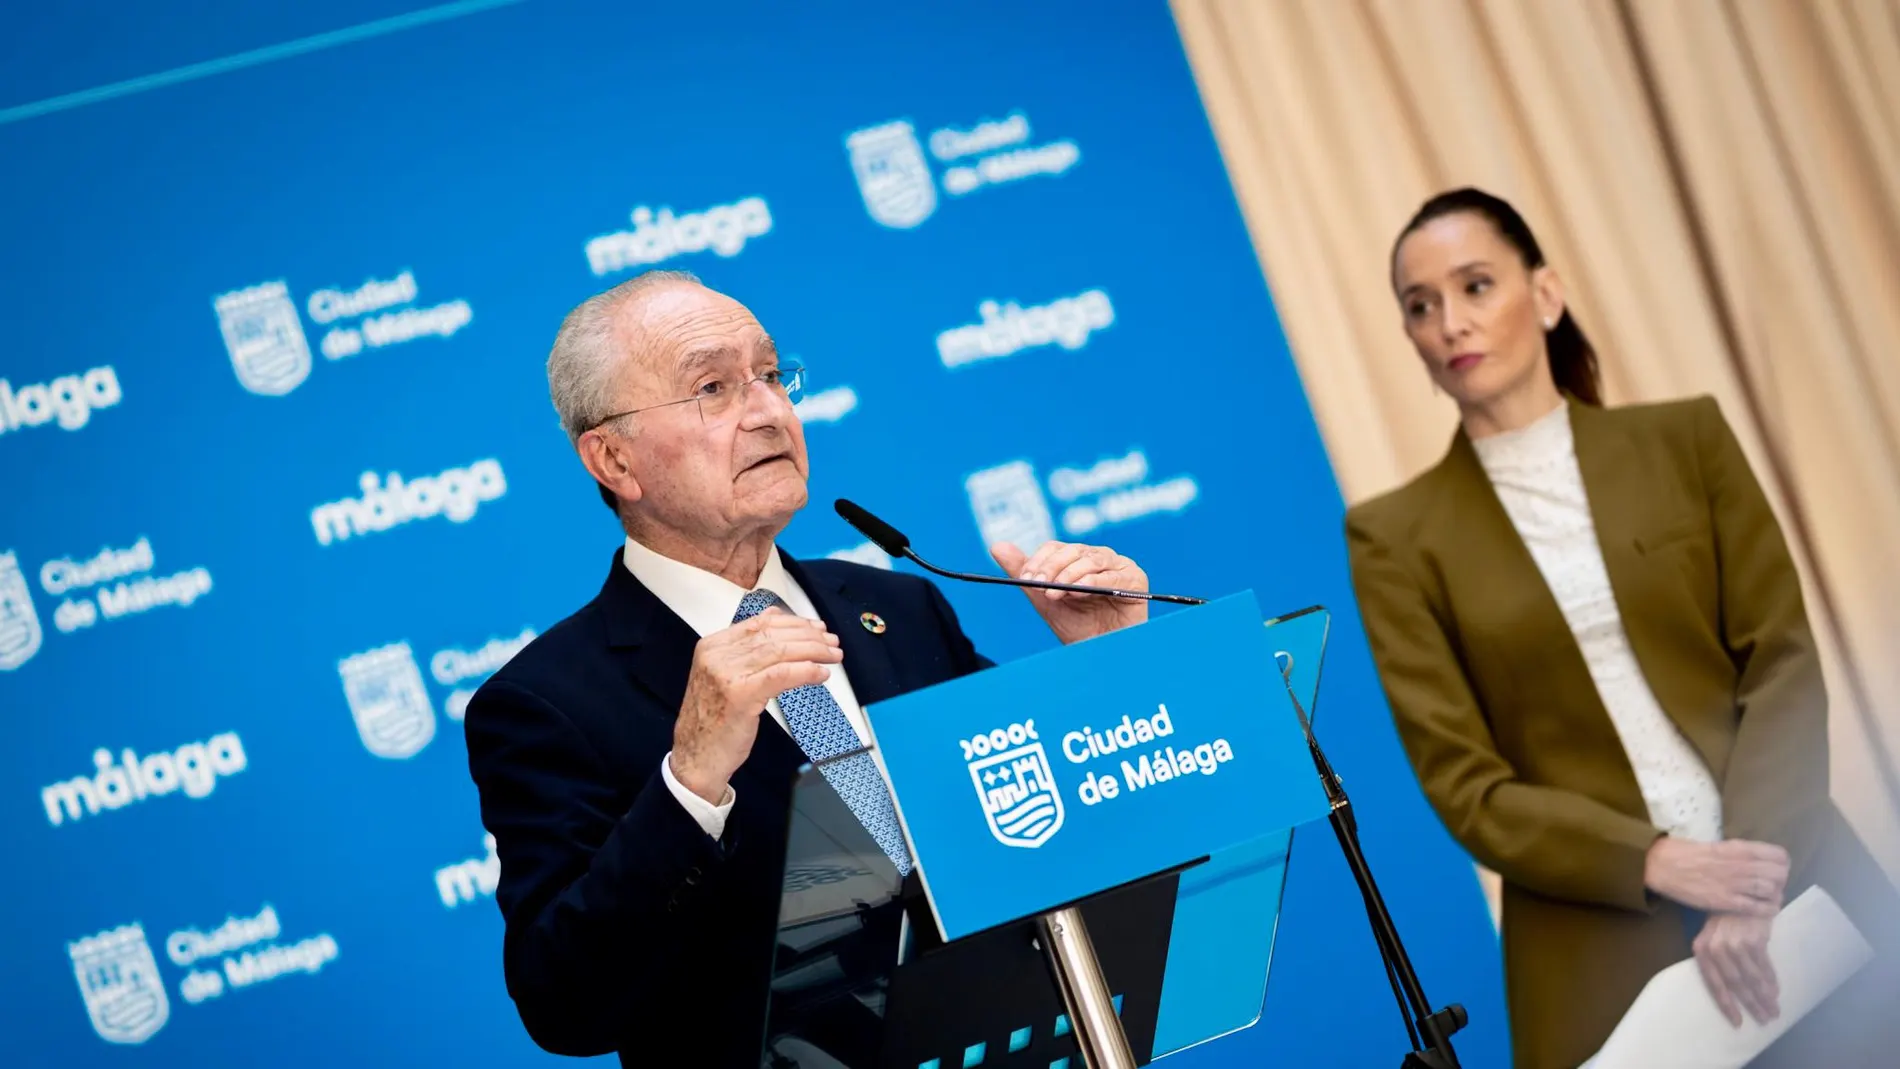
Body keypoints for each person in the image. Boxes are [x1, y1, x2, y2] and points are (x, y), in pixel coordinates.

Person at [463, 269, 1152, 1068]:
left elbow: (1051, 822)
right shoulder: (546, 702)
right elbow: (566, 1004)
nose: (767, 410)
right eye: (713, 387)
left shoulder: (900, 606)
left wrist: (1110, 665)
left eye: (770, 373)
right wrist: (691, 782)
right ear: (614, 458)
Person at [1344, 187, 1899, 1069]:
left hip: (1796, 878)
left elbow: (1781, 665)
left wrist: (1750, 876)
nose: (1450, 322)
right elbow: (1466, 785)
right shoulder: (1393, 537)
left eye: (1476, 285)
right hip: (1594, 951)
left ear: (1546, 294)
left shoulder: (1687, 439)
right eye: (1421, 305)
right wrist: (1656, 858)